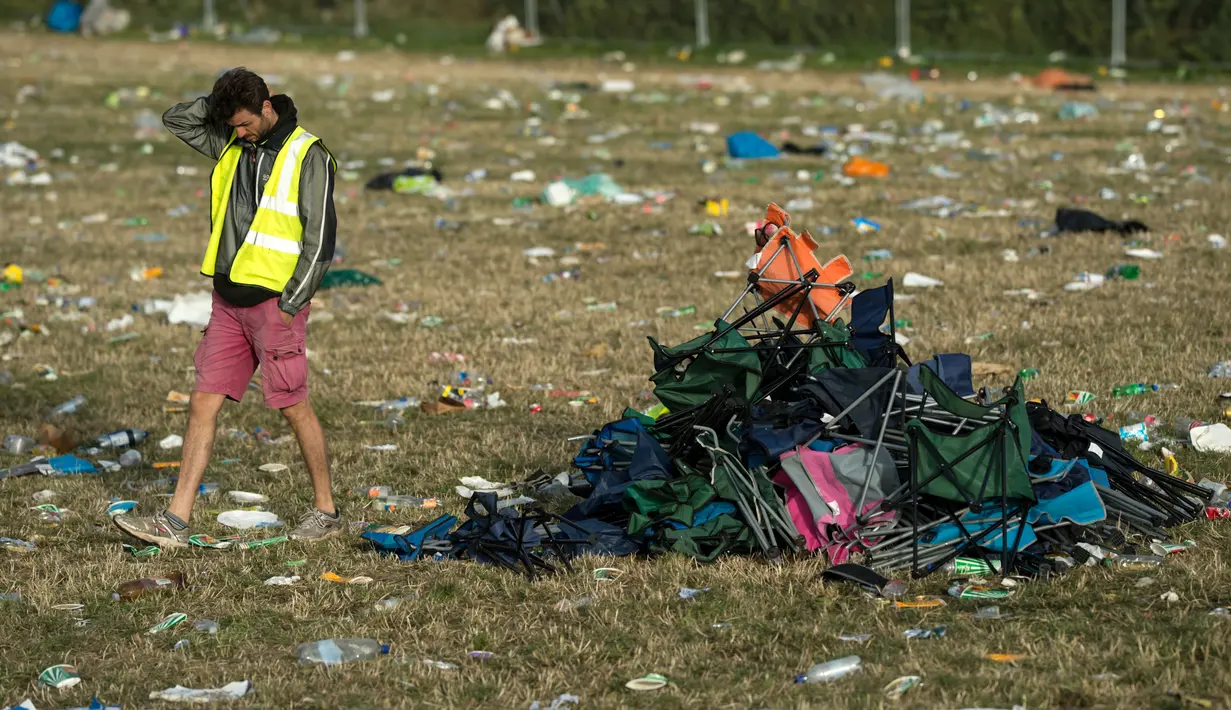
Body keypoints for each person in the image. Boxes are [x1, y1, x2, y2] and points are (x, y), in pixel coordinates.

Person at [114, 68, 341, 547]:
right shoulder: (232, 141)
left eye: (244, 124)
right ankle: (175, 521)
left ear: (266, 107)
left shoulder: (308, 155)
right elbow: (176, 119)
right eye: (230, 125)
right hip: (227, 301)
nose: (236, 134)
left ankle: (326, 512)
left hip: (275, 305)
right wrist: (219, 105)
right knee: (203, 401)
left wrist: (291, 303)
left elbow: (321, 239)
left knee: (293, 407)